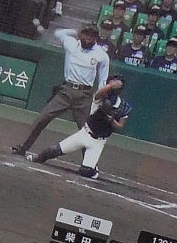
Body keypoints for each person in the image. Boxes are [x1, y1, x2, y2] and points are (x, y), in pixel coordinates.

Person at [9, 24, 110, 156]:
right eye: (86, 34)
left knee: (88, 130)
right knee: (43, 118)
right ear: (81, 34)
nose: (88, 38)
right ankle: (23, 147)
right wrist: (75, 31)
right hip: (66, 91)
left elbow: (103, 79)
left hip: (84, 95)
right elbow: (58, 33)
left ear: (96, 38)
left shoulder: (101, 55)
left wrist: (100, 97)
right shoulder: (71, 44)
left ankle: (89, 162)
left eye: (92, 36)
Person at [26, 77, 131, 180]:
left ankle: (93, 169)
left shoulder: (123, 106)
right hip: (85, 134)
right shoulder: (100, 98)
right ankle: (37, 158)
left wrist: (111, 120)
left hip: (98, 142)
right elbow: (99, 94)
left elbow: (120, 126)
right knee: (53, 150)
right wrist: (111, 85)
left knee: (86, 171)